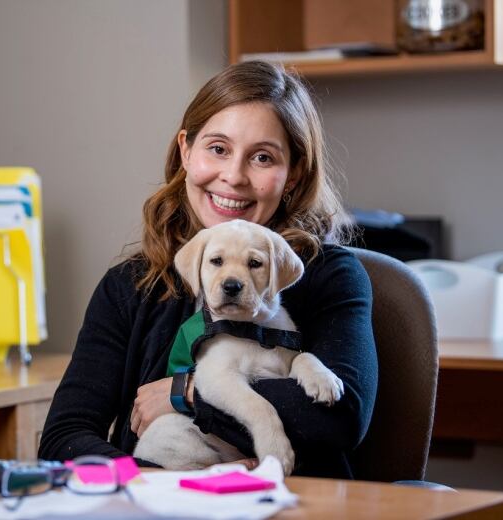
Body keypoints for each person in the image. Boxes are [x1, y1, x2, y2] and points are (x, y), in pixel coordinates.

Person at [38, 60, 378, 478]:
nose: (233, 177)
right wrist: (161, 484)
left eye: (263, 157)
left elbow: (340, 417)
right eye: (218, 148)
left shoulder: (328, 276)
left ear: (293, 175)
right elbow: (64, 439)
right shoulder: (129, 287)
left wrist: (188, 395)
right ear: (186, 151)